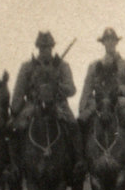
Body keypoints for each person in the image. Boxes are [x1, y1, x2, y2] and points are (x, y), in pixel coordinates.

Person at [10, 31, 83, 173]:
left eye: (48, 48)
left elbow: (71, 89)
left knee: (73, 125)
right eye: (42, 48)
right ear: (38, 48)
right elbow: (19, 91)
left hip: (58, 104)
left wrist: (56, 85)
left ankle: (79, 161)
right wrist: (15, 111)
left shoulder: (62, 66)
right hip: (33, 104)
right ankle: (14, 165)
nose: (45, 51)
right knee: (15, 128)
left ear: (52, 48)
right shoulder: (27, 67)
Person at [78, 27, 125, 173]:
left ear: (116, 42)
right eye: (107, 41)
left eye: (112, 41)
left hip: (119, 101)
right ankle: (82, 161)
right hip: (99, 102)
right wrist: (82, 108)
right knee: (81, 122)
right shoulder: (94, 66)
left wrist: (120, 89)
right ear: (103, 43)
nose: (110, 44)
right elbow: (87, 88)